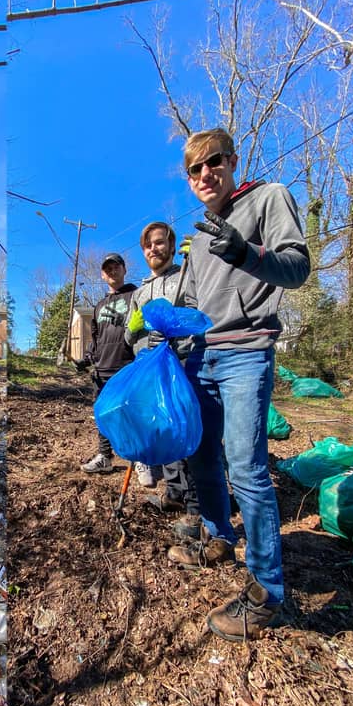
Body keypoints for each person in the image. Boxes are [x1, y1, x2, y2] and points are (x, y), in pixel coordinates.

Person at [167, 127, 310, 642]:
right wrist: (166, 323)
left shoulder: (268, 198)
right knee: (202, 456)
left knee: (246, 467)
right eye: (194, 169)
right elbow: (193, 303)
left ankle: (267, 592)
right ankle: (217, 535)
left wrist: (247, 253)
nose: (205, 174)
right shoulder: (199, 234)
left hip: (247, 351)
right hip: (204, 354)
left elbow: (298, 268)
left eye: (213, 162)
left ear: (231, 161)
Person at [124, 222, 201, 538]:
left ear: (171, 246)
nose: (153, 249)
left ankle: (197, 507)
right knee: (162, 434)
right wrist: (135, 327)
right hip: (150, 375)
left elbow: (201, 317)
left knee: (187, 436)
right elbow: (129, 339)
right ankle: (173, 492)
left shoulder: (186, 278)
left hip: (182, 367)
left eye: (159, 243)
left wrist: (199, 260)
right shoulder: (140, 291)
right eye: (147, 246)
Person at [77, 253, 153, 486]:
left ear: (124, 269)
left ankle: (142, 459)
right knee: (103, 414)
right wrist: (87, 359)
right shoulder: (99, 305)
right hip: (102, 368)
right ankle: (105, 457)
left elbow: (144, 328)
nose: (112, 271)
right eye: (107, 268)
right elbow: (96, 339)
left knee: (132, 412)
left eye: (116, 266)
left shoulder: (135, 295)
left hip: (127, 364)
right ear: (102, 274)